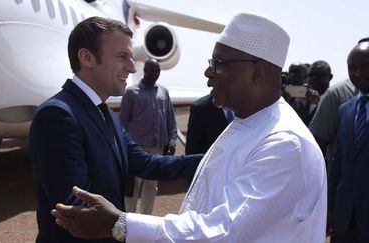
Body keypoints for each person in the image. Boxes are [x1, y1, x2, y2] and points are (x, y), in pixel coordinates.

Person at [52, 13, 327, 242]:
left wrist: (122, 224)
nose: (208, 73)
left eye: (218, 64)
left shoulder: (285, 143)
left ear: (257, 72)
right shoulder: (248, 122)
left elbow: (224, 233)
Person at [29, 16, 203, 243]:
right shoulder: (58, 115)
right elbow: (79, 214)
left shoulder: (106, 114)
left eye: (131, 58)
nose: (132, 67)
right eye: (122, 57)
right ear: (87, 58)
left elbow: (148, 164)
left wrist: (213, 159)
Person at [120, 59, 177, 214]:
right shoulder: (131, 92)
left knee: (151, 186)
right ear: (144, 71)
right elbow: (123, 122)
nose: (156, 74)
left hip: (157, 147)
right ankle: (129, 219)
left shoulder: (163, 92)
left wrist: (172, 140)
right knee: (133, 185)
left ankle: (146, 219)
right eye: (153, 71)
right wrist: (123, 146)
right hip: (136, 147)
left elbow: (170, 118)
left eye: (158, 71)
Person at [328, 37, 369, 243]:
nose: (358, 74)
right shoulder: (346, 110)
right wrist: (330, 206)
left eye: (365, 67)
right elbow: (338, 161)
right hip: (345, 217)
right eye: (352, 68)